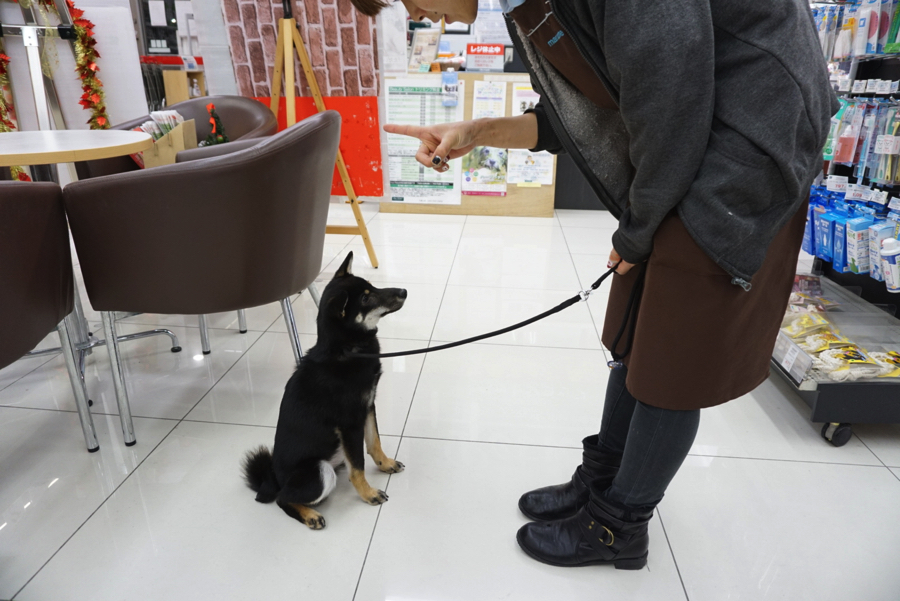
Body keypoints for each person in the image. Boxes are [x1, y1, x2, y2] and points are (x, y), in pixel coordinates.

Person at [349, 0, 839, 570]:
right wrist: (478, 132)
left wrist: (637, 234)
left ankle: (618, 527)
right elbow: (578, 112)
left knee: (673, 359)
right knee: (638, 330)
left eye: (412, 2)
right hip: (700, 133)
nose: (426, 18)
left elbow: (672, 107)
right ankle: (604, 478)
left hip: (748, 140)